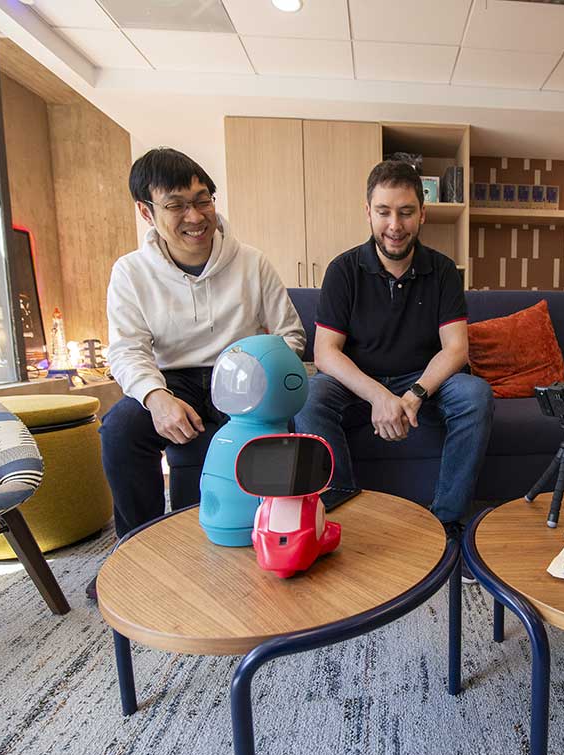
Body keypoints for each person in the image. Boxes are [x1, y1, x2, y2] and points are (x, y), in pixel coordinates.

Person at [100, 147, 305, 543]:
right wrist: (156, 398)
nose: (195, 217)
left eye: (202, 201)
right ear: (146, 212)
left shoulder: (252, 262)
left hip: (245, 376)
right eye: (176, 206)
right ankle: (136, 546)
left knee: (292, 416)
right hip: (172, 381)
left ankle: (271, 532)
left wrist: (264, 373)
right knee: (120, 428)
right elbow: (127, 350)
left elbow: (291, 334)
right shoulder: (130, 272)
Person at [295, 160, 493, 534]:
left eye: (406, 213)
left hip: (424, 381)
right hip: (358, 382)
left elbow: (455, 349)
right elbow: (325, 352)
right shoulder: (343, 270)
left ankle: (447, 521)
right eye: (384, 212)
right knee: (309, 396)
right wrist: (379, 396)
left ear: (423, 214)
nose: (394, 226)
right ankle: (343, 509)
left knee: (475, 394)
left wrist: (414, 394)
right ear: (368, 213)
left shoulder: (444, 270)